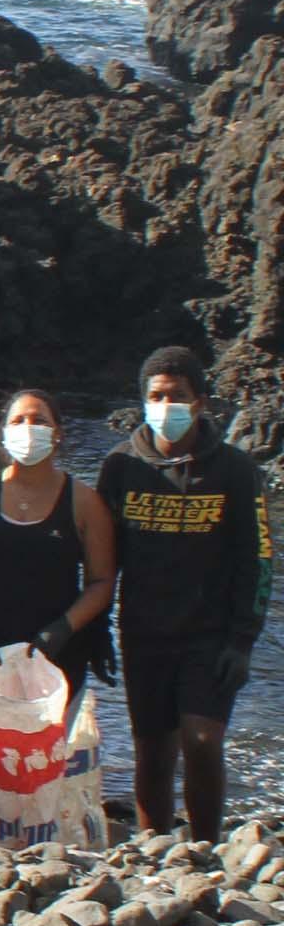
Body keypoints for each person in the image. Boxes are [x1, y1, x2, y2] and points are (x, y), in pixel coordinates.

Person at [101, 346, 271, 838]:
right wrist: (96, 633)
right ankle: (154, 849)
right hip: (144, 633)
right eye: (156, 395)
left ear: (200, 402)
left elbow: (258, 558)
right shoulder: (120, 467)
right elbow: (102, 559)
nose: (165, 404)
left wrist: (244, 640)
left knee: (201, 740)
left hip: (211, 635)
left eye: (177, 395)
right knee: (152, 749)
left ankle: (207, 847)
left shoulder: (236, 471)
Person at [0, 389, 117, 715]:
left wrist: (64, 628)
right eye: (18, 420)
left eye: (39, 421)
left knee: (47, 760)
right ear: (4, 433)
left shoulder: (84, 502)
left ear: (57, 433)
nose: (28, 427)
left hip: (58, 654)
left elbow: (102, 581)